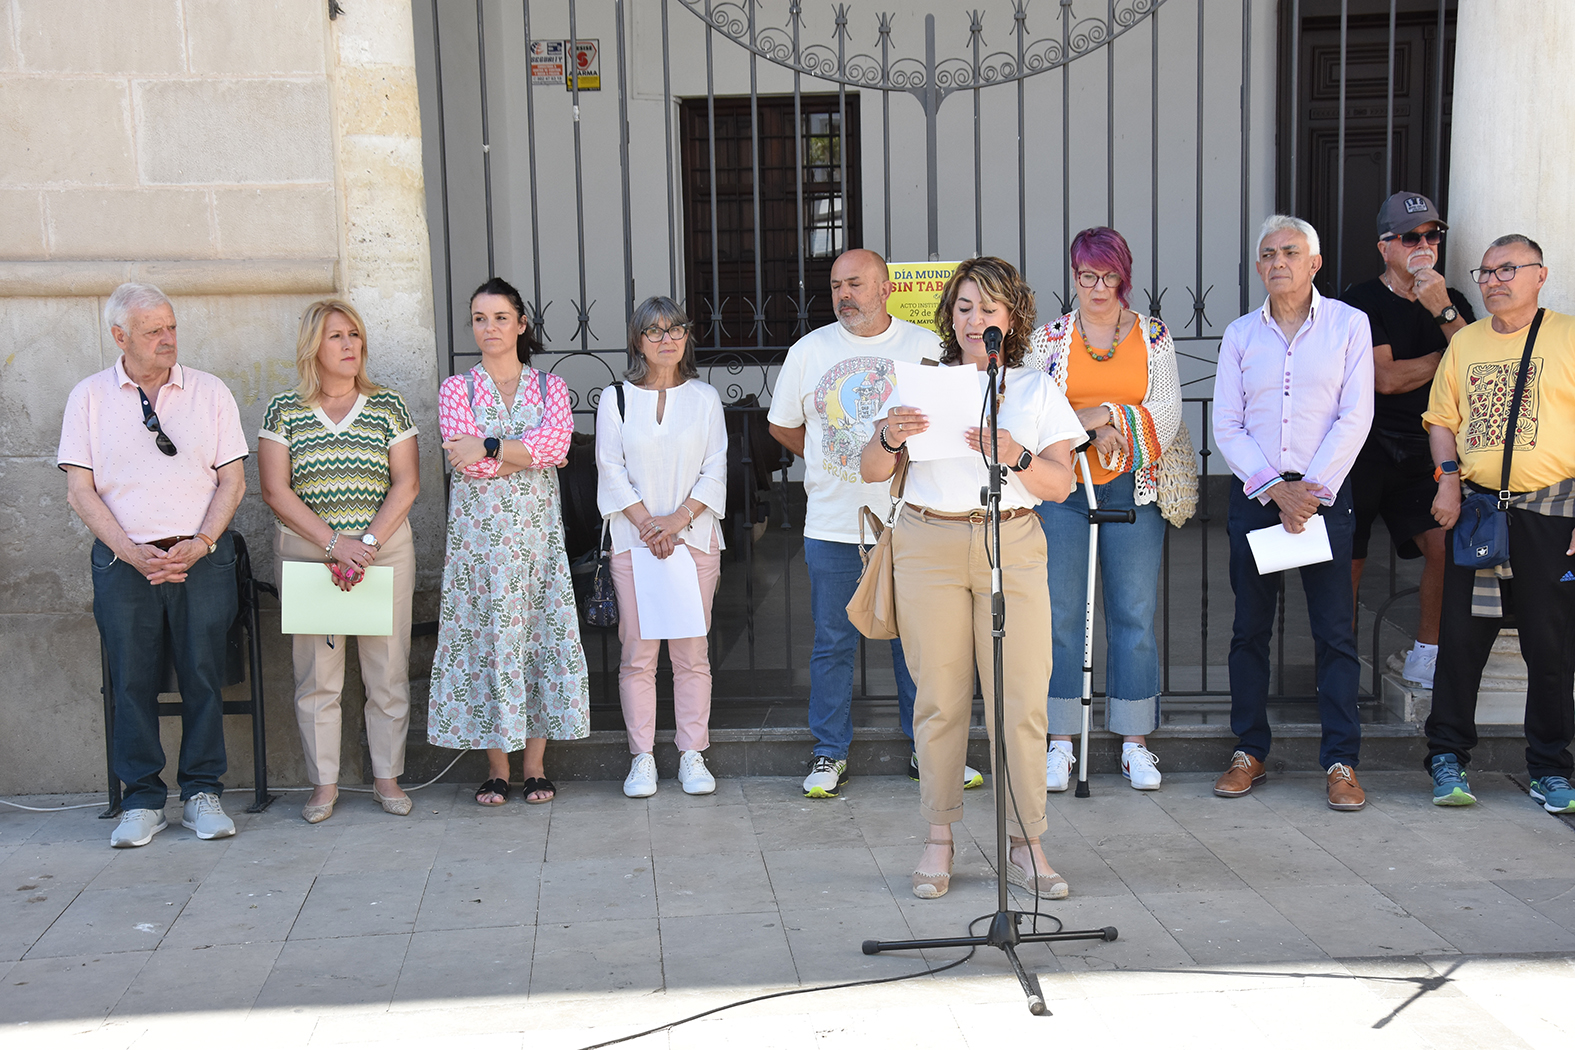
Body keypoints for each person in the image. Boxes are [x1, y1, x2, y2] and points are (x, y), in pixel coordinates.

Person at [861, 257, 1084, 900]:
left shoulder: (1035, 388)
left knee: (1021, 700)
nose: (973, 319)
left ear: (1010, 317)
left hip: (1010, 540)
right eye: (963, 307)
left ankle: (1028, 842)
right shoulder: (919, 383)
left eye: (988, 308)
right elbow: (871, 470)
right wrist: (889, 436)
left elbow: (1060, 484)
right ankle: (939, 837)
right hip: (928, 542)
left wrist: (1014, 454)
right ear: (949, 315)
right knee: (939, 698)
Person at [768, 248, 982, 798]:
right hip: (833, 523)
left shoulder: (927, 347)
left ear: (886, 289)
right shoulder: (808, 351)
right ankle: (828, 752)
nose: (844, 294)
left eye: (856, 284)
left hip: (911, 522)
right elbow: (784, 426)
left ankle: (927, 752)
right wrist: (833, 460)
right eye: (836, 285)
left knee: (917, 645)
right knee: (833, 642)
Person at [58, 283, 247, 848]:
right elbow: (80, 490)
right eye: (153, 330)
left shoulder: (209, 391)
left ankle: (201, 793)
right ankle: (141, 800)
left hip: (201, 558)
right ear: (120, 337)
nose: (168, 338)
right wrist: (129, 550)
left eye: (171, 326)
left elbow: (233, 480)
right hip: (124, 562)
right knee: (131, 679)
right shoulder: (89, 397)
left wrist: (204, 541)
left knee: (203, 674)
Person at [1212, 215, 1374, 811]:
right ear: (1258, 267)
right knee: (1249, 630)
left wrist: (1309, 491)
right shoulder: (1240, 335)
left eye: (1290, 252)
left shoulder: (1349, 325)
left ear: (1314, 263)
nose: (1278, 261)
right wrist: (1276, 490)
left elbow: (1355, 415)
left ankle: (1341, 761)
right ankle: (1248, 751)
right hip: (1258, 499)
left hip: (1323, 500)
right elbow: (1226, 423)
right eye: (1268, 254)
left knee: (1334, 633)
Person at [1024, 227, 1181, 791]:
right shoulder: (1048, 340)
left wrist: (1110, 416)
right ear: (1074, 276)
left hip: (1135, 488)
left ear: (1124, 276)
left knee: (1133, 614)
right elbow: (1033, 416)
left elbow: (1167, 414)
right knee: (1061, 613)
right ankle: (1061, 741)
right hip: (1064, 491)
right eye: (1086, 275)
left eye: (1108, 276)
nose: (1096, 287)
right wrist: (1090, 427)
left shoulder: (1154, 336)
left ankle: (1135, 742)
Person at [1422, 235, 1575, 814]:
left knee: (1550, 646)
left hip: (1551, 514)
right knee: (1461, 641)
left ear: (1540, 274)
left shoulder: (1568, 336)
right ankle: (1447, 757)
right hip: (1480, 514)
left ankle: (1550, 769)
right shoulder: (1466, 342)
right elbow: (1441, 420)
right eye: (1485, 272)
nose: (1493, 281)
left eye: (1507, 269)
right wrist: (1447, 479)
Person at [259, 299, 421, 823]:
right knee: (317, 677)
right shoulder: (283, 410)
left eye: (354, 334)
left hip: (381, 551)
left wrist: (365, 544)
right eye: (337, 336)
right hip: (310, 554)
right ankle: (323, 785)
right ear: (313, 346)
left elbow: (407, 483)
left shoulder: (388, 406)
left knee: (387, 672)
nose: (350, 344)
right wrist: (334, 544)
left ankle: (387, 778)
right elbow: (275, 490)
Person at [429, 277, 590, 805]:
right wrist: (526, 452)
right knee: (487, 643)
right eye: (480, 318)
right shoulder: (456, 389)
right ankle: (497, 768)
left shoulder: (550, 388)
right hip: (478, 548)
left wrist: (492, 444)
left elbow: (558, 445)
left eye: (500, 317)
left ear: (521, 324)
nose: (489, 327)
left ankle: (535, 767)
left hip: (536, 544)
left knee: (538, 641)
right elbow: (466, 462)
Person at [1340, 192, 1475, 689]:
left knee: (1445, 547)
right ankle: (1340, 662)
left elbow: (1478, 369)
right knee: (1350, 560)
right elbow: (1387, 379)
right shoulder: (1360, 301)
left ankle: (1427, 653)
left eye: (1432, 235)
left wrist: (1442, 310)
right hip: (1365, 447)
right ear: (1385, 247)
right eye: (1411, 237)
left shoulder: (1451, 301)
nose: (1424, 245)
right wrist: (1446, 357)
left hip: (1426, 449)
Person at [597, 298, 728, 797]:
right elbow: (610, 468)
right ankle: (643, 757)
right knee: (638, 653)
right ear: (638, 340)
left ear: (687, 336)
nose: (667, 339)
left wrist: (677, 520)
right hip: (634, 543)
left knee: (692, 653)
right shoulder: (616, 399)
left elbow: (715, 467)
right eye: (654, 331)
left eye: (676, 329)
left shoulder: (704, 398)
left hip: (694, 539)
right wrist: (649, 525)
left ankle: (692, 753)